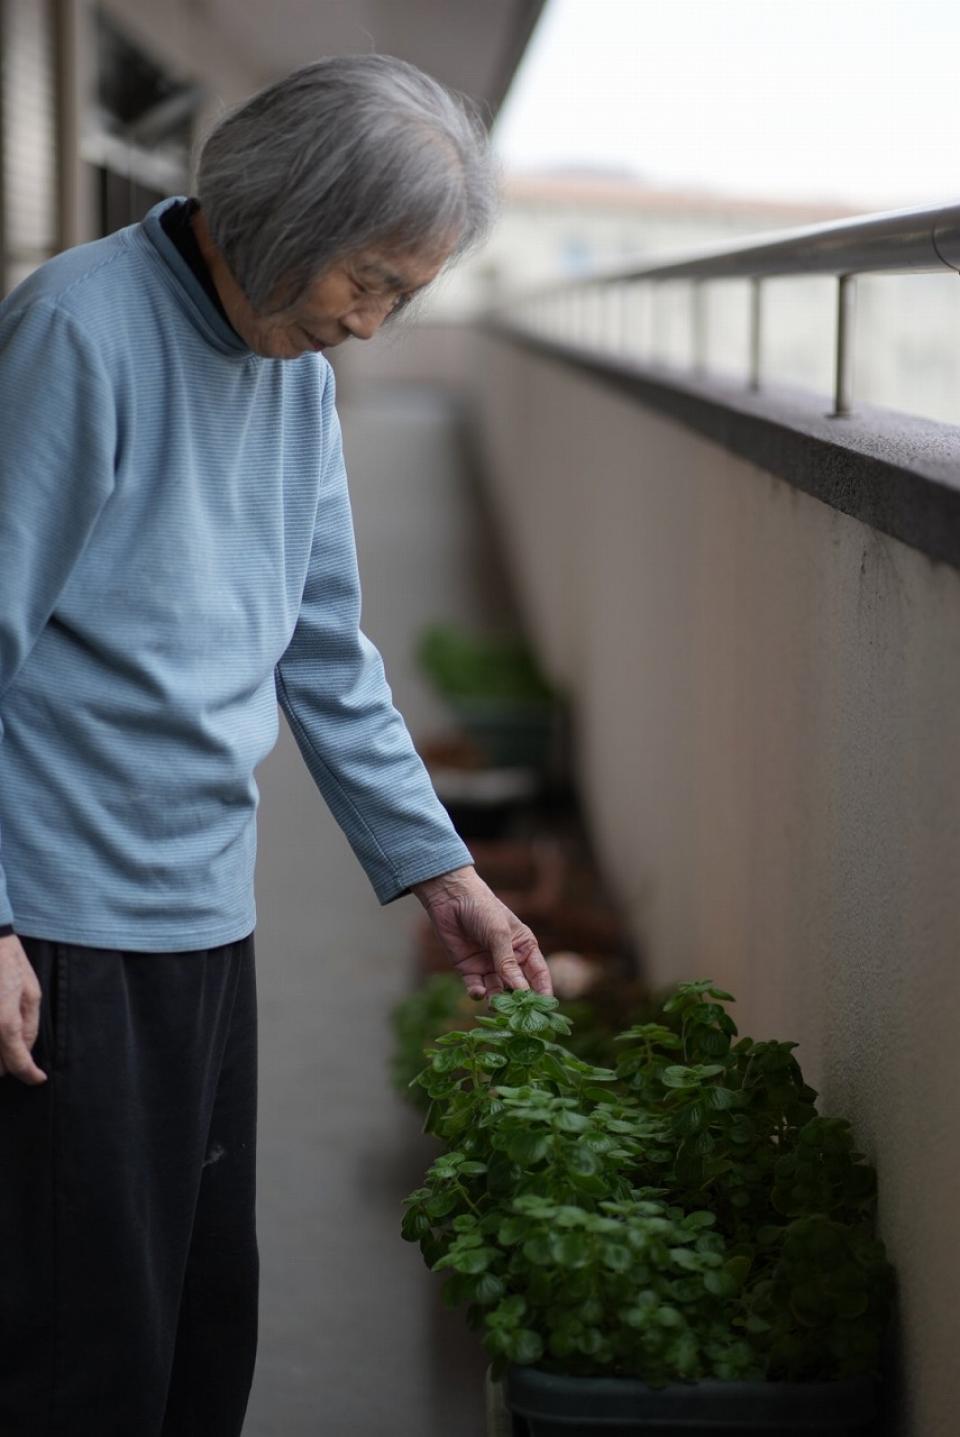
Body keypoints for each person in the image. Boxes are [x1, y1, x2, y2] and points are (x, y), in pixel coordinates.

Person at [0, 54, 552, 1437]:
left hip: (202, 913)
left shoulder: (290, 370)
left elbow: (325, 649)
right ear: (287, 213)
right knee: (81, 1358)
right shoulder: (77, 331)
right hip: (59, 925)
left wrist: (447, 873)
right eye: (369, 280)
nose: (372, 324)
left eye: (405, 298)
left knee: (198, 1332)